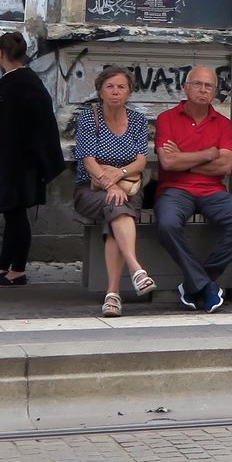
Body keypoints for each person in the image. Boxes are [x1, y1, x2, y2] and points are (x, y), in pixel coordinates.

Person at [153, 65, 232, 312]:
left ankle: (196, 282)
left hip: (213, 191)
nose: (203, 90)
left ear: (215, 91)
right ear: (186, 87)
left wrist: (185, 160)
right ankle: (205, 286)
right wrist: (208, 154)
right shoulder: (166, 119)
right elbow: (168, 162)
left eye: (209, 86)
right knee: (166, 224)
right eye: (197, 84)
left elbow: (225, 166)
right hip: (174, 189)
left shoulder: (223, 123)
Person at [0, 32, 63, 287]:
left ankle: (17, 269)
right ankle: (2, 266)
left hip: (18, 161)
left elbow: (11, 122)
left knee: (15, 213)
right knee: (13, 213)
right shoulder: (23, 80)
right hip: (19, 158)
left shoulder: (16, 83)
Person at [73, 66, 158, 316]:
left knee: (116, 213)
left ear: (129, 92)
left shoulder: (138, 120)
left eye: (121, 87)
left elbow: (141, 160)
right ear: (100, 91)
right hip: (91, 188)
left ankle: (113, 296)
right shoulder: (90, 117)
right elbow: (88, 160)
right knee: (117, 207)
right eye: (109, 86)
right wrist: (108, 183)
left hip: (128, 186)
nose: (115, 92)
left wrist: (118, 176)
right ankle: (135, 270)